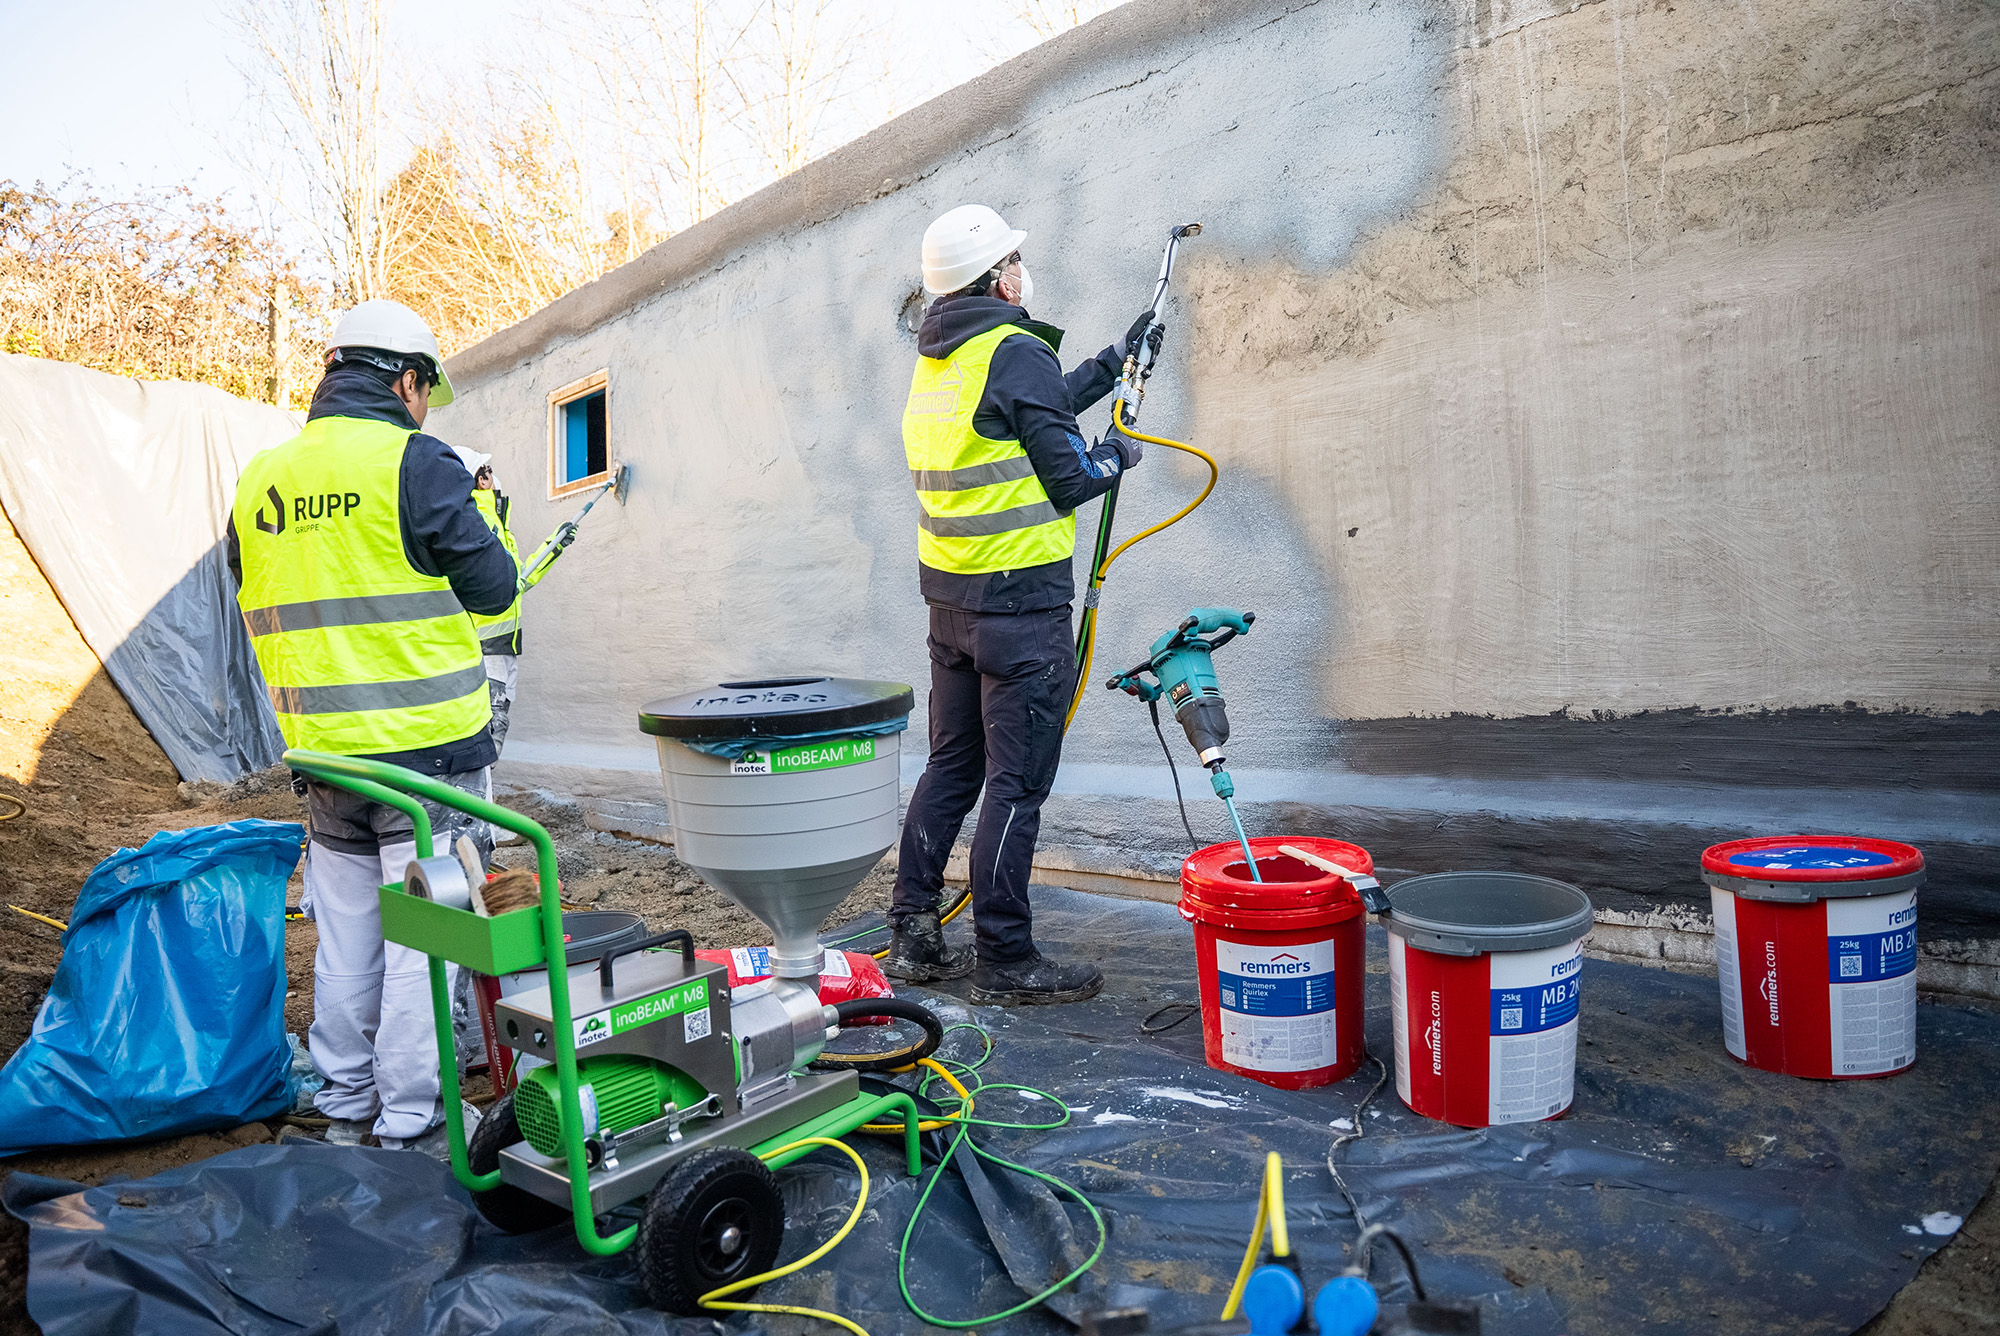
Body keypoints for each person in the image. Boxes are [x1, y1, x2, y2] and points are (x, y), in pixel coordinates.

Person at [227, 299, 516, 1150]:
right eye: (426, 392)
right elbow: (495, 589)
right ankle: (413, 1116)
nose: (426, 409)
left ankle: (348, 1099)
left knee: (348, 935)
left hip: (327, 757)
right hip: (429, 758)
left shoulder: (261, 478)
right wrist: (484, 509)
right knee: (424, 942)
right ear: (405, 380)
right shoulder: (420, 464)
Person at [885, 204, 1164, 1005]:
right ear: (999, 276)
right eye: (1014, 259)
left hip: (952, 607)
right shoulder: (1014, 349)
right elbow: (1071, 476)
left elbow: (1021, 419)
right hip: (1022, 613)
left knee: (952, 767)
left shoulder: (941, 358)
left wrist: (1115, 361)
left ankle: (914, 930)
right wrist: (1117, 454)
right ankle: (1006, 958)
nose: (1021, 271)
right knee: (1016, 785)